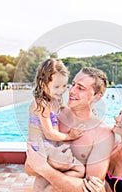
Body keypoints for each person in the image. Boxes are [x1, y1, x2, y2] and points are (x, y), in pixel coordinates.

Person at [25, 67, 115, 192]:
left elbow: (92, 188)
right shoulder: (54, 117)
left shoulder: (103, 134)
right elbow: (29, 168)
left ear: (97, 96)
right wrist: (39, 167)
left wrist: (45, 169)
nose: (71, 91)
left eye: (80, 88)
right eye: (72, 84)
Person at [25, 58, 86, 191]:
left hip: (49, 148)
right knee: (80, 169)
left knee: (42, 179)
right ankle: (52, 190)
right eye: (56, 87)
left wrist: (83, 108)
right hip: (42, 149)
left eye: (64, 86)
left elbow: (65, 110)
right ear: (42, 84)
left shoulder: (55, 100)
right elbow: (49, 133)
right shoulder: (41, 103)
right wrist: (70, 136)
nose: (61, 91)